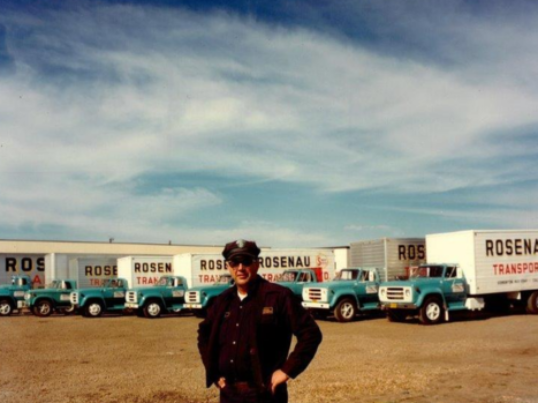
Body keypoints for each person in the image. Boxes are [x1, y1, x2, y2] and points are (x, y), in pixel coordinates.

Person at [198, 239, 322, 403]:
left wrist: (286, 371)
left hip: (265, 394)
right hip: (229, 394)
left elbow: (310, 334)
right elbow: (204, 335)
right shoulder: (222, 301)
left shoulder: (278, 297)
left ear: (257, 264)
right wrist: (213, 372)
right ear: (228, 266)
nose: (240, 268)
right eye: (235, 262)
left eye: (246, 261)